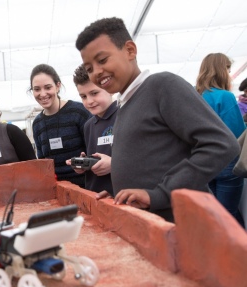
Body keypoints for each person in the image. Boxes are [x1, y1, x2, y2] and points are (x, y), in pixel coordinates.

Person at [75, 17, 240, 222]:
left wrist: (161, 193)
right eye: (89, 68)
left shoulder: (163, 86)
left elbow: (222, 144)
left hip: (182, 225)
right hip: (155, 227)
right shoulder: (125, 104)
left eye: (102, 60)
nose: (97, 72)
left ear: (129, 50)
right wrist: (120, 197)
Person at [196, 53, 246, 227]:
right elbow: (237, 133)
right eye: (227, 69)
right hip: (227, 163)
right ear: (220, 70)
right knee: (229, 216)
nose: (229, 73)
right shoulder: (225, 96)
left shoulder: (195, 97)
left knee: (216, 216)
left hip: (203, 164)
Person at [29, 64, 92, 188]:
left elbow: (94, 152)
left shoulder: (78, 112)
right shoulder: (37, 123)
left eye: (48, 87)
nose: (42, 94)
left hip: (86, 187)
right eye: (37, 89)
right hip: (58, 190)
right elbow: (43, 162)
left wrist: (83, 164)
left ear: (58, 86)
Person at [66, 64, 118, 195]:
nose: (89, 101)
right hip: (95, 195)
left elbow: (143, 159)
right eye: (83, 96)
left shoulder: (125, 115)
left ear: (110, 89)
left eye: (94, 93)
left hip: (120, 196)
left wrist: (114, 164)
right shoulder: (88, 125)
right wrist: (84, 165)